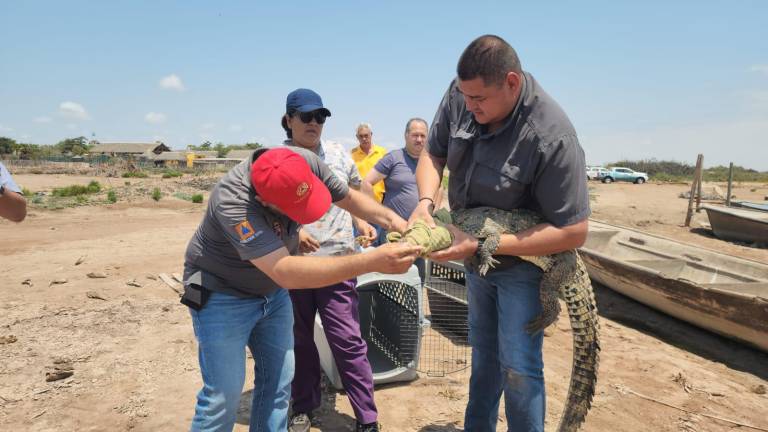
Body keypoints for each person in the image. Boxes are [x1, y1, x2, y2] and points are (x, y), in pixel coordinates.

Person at [183, 89, 421, 432]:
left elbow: (351, 198)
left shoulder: (303, 162)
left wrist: (395, 222)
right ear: (264, 202)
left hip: (271, 292)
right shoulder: (233, 203)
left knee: (278, 385)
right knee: (222, 395)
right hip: (221, 293)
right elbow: (286, 270)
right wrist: (371, 262)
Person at [409, 35, 590, 432]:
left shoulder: (553, 135)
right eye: (464, 96)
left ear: (511, 82)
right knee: (484, 359)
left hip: (526, 261)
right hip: (477, 257)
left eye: (478, 100)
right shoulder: (463, 93)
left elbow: (574, 231)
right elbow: (434, 152)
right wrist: (424, 202)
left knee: (520, 367)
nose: (468, 106)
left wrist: (486, 243)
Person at [280, 89, 381, 432]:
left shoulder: (337, 154)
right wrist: (291, 237)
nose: (314, 123)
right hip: (295, 268)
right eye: (306, 117)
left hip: (339, 262)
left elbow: (355, 193)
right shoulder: (276, 160)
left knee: (347, 340)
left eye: (320, 117)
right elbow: (263, 213)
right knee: (299, 340)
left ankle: (367, 418)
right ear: (289, 120)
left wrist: (362, 220)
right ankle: (303, 406)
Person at [363, 118, 433, 279]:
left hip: (419, 234)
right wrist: (375, 216)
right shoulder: (393, 158)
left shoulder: (430, 162)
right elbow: (367, 182)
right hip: (392, 234)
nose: (419, 139)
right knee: (390, 281)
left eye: (423, 135)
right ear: (406, 136)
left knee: (417, 279)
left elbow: (439, 189)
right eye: (415, 135)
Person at [351, 123, 386, 203]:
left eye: (366, 135)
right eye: (361, 136)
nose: (364, 138)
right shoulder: (351, 155)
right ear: (357, 137)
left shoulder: (382, 152)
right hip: (360, 201)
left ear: (371, 134)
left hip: (380, 200)